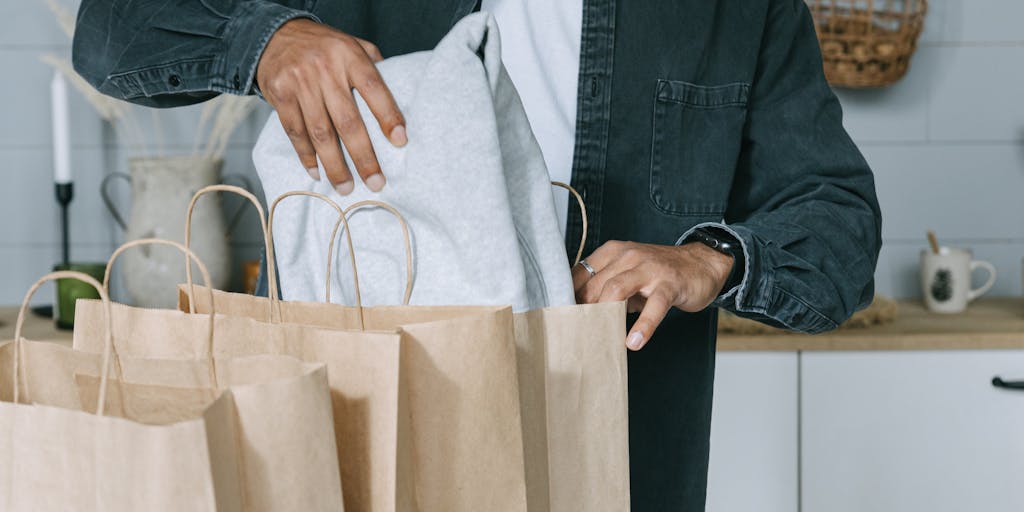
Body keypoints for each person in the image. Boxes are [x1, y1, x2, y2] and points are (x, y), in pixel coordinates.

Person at [73, 0, 882, 509]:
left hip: (622, 454)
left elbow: (838, 220)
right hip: (352, 443)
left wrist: (712, 258)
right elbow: (111, 30)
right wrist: (267, 39)